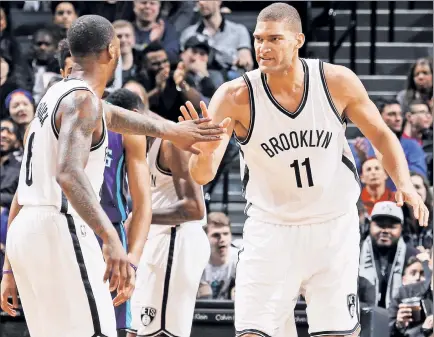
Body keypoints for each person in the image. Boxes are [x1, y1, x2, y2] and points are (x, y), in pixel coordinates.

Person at [181, 3, 429, 337]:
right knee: (253, 332)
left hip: (332, 226)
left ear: (298, 40)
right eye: (257, 39)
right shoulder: (234, 96)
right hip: (270, 228)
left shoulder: (336, 82)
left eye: (274, 39)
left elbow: (383, 136)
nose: (262, 48)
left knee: (336, 332)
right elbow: (203, 175)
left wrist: (404, 183)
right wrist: (199, 151)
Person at [0, 14, 225, 337]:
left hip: (25, 233)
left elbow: (114, 116)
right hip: (59, 227)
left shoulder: (54, 97)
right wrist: (112, 241)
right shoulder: (81, 100)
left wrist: (173, 131)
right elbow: (68, 173)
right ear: (112, 50)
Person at [127, 125, 210, 337]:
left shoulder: (171, 142)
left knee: (160, 333)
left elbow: (194, 208)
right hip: (157, 242)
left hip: (176, 240)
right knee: (137, 330)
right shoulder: (140, 149)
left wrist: (140, 217)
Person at [102, 89, 152, 335]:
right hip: (73, 226)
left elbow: (143, 205)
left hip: (110, 232)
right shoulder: (72, 118)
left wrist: (133, 257)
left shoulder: (129, 134)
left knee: (116, 322)